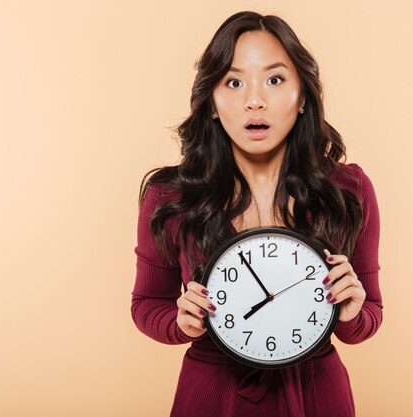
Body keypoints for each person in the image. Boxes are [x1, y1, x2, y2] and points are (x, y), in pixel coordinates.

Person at [131, 10, 382, 417]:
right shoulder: (169, 196)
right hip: (212, 396)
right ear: (211, 101)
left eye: (275, 79)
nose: (254, 100)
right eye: (233, 82)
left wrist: (353, 312)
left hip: (317, 395)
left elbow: (370, 314)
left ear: (302, 97)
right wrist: (181, 322)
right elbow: (146, 303)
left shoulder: (348, 191)